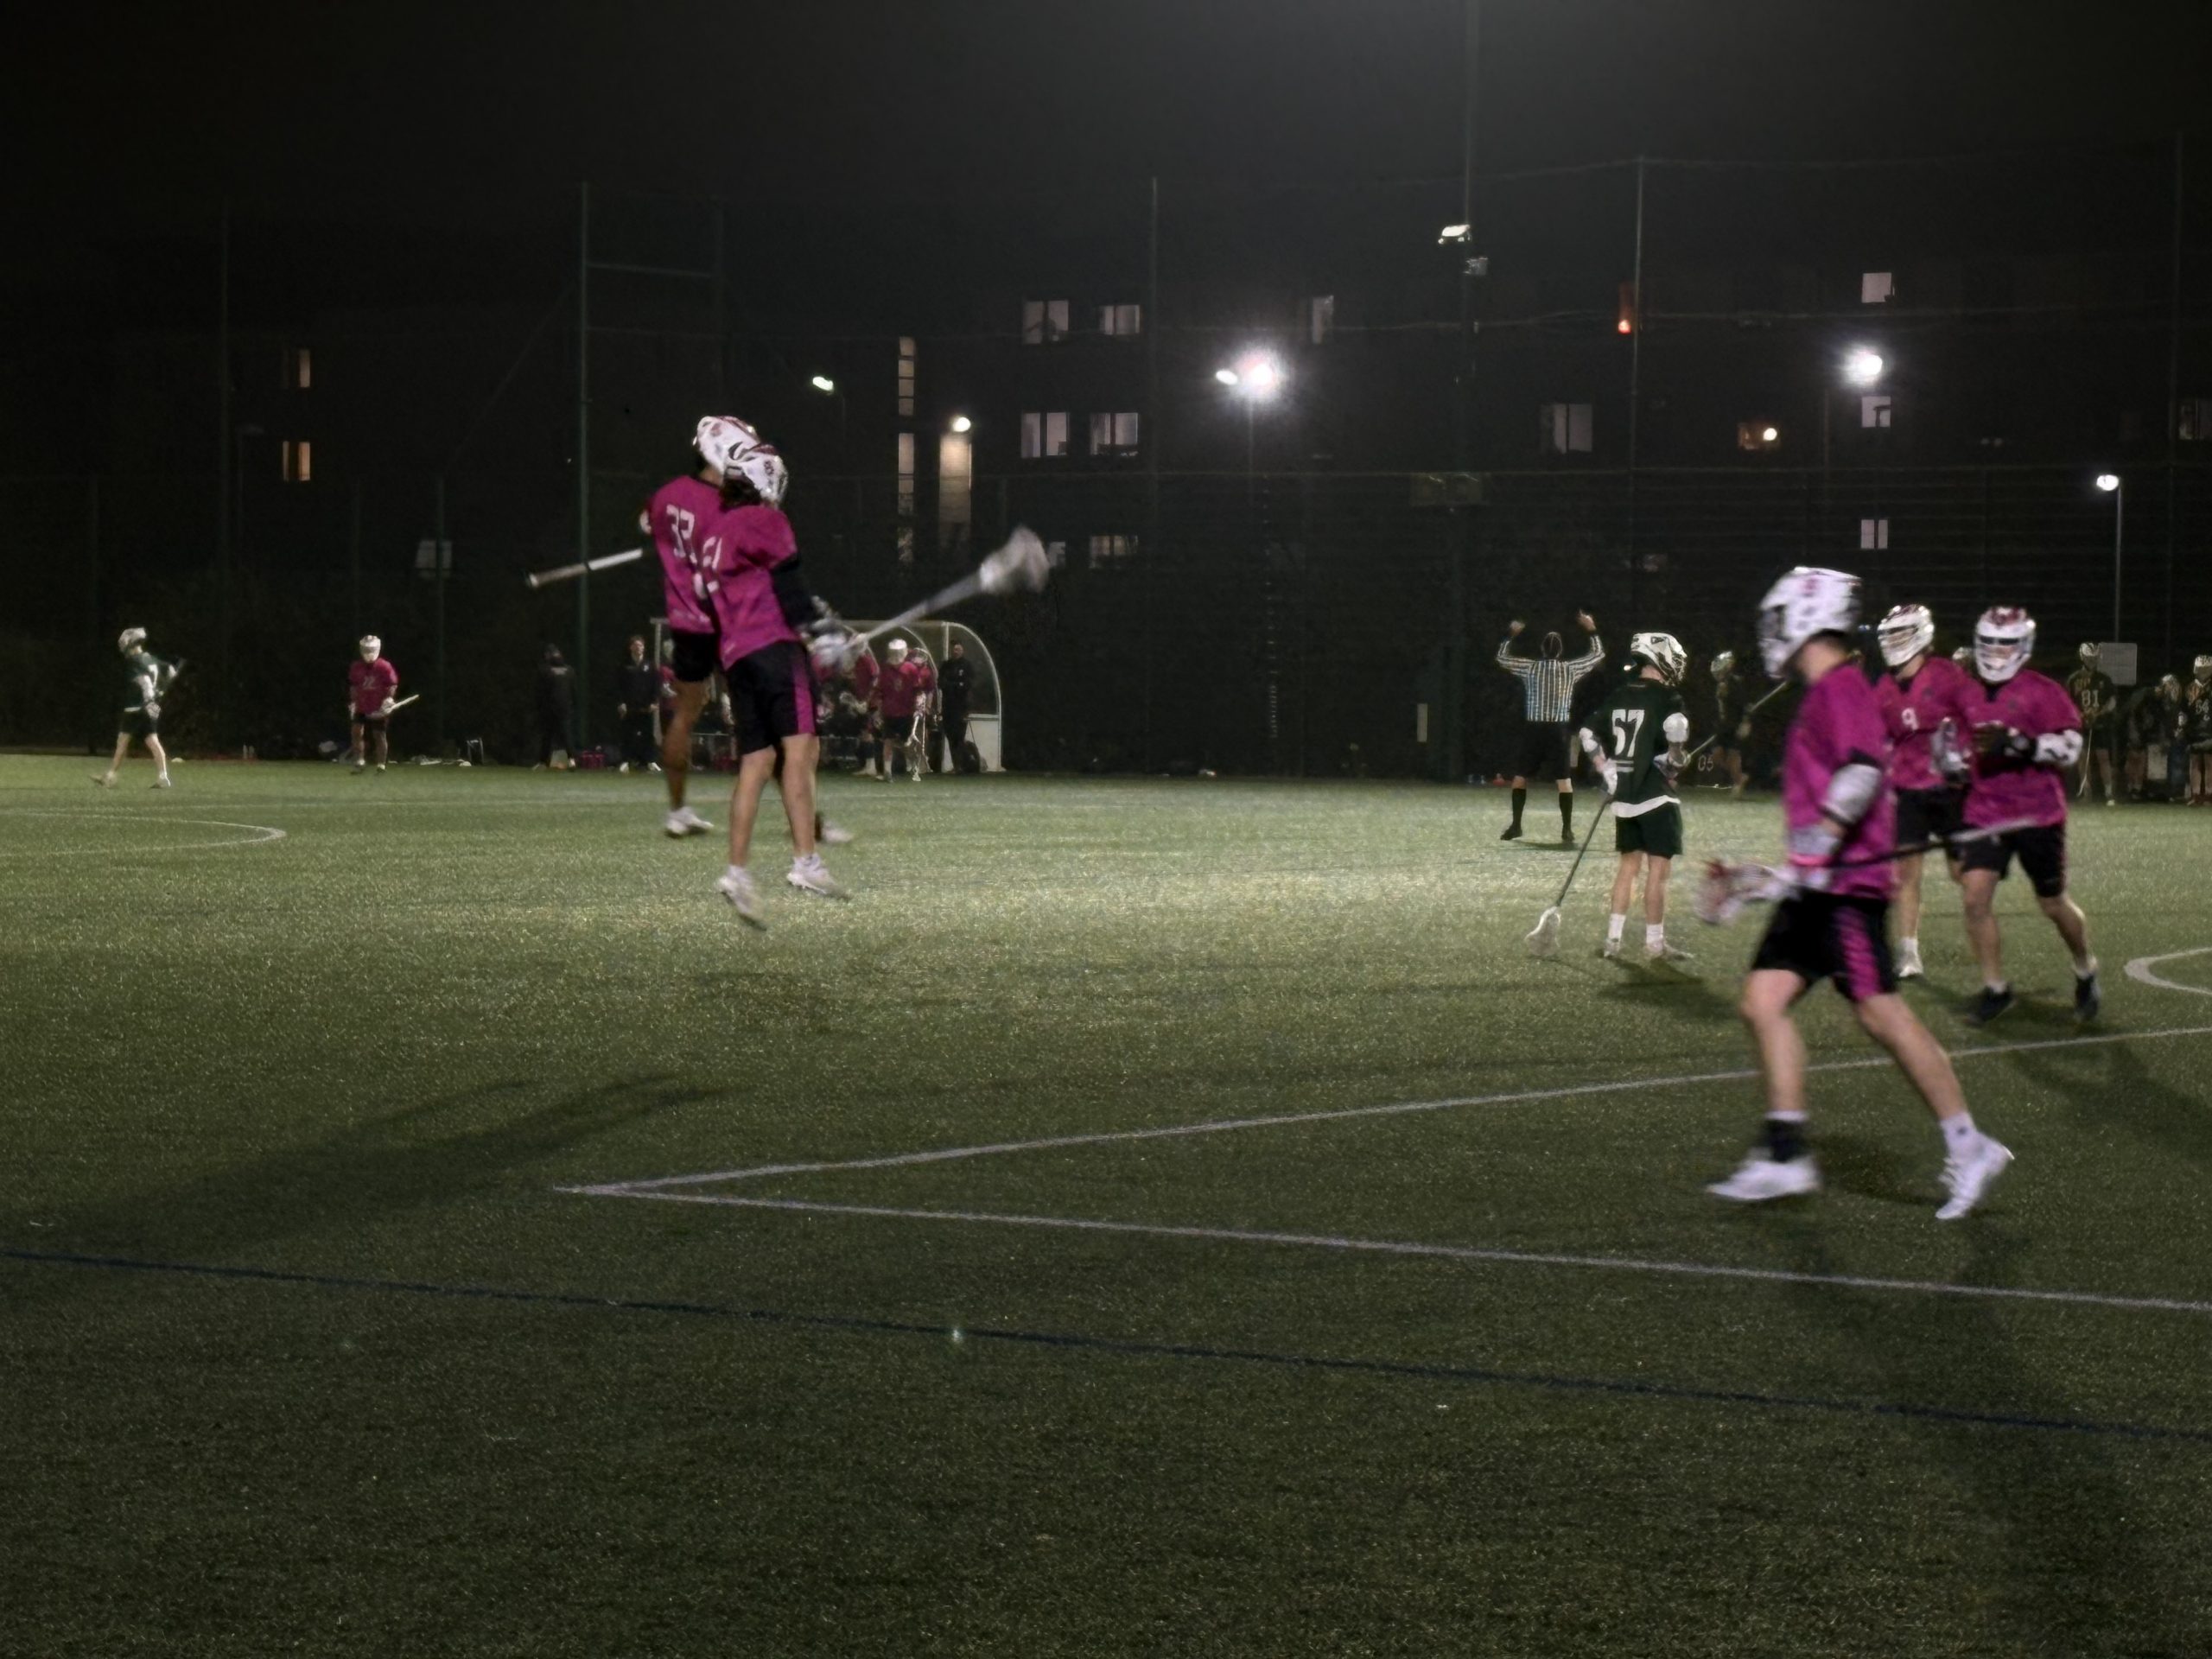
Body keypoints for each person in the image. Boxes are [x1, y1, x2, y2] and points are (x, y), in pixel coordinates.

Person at [1707, 567, 2012, 1221]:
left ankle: (1970, 1144)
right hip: (1819, 884)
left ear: (1803, 619)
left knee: (1880, 1014)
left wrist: (1823, 844)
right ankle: (1786, 1154)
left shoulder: (1839, 686)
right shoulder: (1824, 691)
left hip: (1847, 888)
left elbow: (1862, 772)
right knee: (1762, 1002)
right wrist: (1760, 877)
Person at [693, 417, 846, 924]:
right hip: (776, 649)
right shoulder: (768, 521)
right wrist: (821, 632)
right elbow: (789, 587)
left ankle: (736, 871)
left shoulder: (718, 532)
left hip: (735, 659)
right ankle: (806, 862)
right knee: (801, 752)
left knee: (756, 765)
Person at [1955, 606, 2099, 1026]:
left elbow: (2071, 748)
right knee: (1974, 898)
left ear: (2023, 647)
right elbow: (1959, 747)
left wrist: (2023, 745)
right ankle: (1996, 988)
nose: (1997, 653)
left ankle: (2085, 968)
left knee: (2053, 902)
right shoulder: (1967, 693)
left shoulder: (2043, 691)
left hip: (2037, 814)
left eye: (2007, 644)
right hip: (1986, 811)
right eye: (1990, 644)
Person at [1871, 604, 1977, 982]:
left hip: (1949, 789)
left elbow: (1975, 718)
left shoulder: (1947, 675)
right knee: (1906, 874)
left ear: (1921, 635)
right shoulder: (1884, 687)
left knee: (1962, 873)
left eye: (1901, 635)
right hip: (1907, 791)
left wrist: (1963, 753)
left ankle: (1983, 937)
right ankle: (1909, 952)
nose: (1895, 643)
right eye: (1891, 636)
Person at [645, 424, 736, 835]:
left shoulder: (666, 494)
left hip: (684, 621)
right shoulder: (725, 503)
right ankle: (804, 818)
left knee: (685, 713)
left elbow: (646, 522)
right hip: (725, 619)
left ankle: (677, 812)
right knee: (767, 711)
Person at [1580, 632, 1692, 963]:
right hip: (1657, 797)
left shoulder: (1618, 694)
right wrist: (1676, 758)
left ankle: (1613, 941)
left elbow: (1587, 734)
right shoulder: (1668, 698)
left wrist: (1607, 770)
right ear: (1661, 658)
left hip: (1624, 797)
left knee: (1627, 869)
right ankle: (1654, 945)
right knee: (1658, 873)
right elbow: (1674, 741)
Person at [1495, 610, 1605, 843]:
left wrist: (1509, 636)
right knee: (1563, 782)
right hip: (1558, 730)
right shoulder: (1569, 669)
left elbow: (1502, 659)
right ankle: (1566, 829)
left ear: (1543, 650)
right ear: (1560, 651)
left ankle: (1516, 825)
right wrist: (1591, 628)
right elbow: (1597, 655)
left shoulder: (1531, 668)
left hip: (1534, 729)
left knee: (1520, 777)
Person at [94, 626, 177, 789]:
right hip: (153, 705)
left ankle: (111, 776)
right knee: (153, 741)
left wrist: (147, 694)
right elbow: (172, 671)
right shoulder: (151, 659)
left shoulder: (134, 661)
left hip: (136, 706)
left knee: (123, 741)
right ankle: (163, 777)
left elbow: (143, 681)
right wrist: (159, 689)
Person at [2063, 642, 2119, 807]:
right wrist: (2079, 715)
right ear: (2083, 657)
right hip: (2081, 725)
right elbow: (2068, 703)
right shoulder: (2074, 679)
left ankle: (2109, 792)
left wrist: (2101, 712)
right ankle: (2086, 791)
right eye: (2089, 657)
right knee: (2083, 759)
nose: (2092, 661)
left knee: (2103, 757)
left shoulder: (2104, 679)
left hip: (2100, 724)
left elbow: (2112, 700)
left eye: (2094, 658)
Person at [874, 637, 931, 783]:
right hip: (890, 712)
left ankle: (915, 765)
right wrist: (878, 711)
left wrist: (920, 705)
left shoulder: (910, 669)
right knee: (888, 741)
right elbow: (880, 692)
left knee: (907, 743)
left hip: (906, 712)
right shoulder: (886, 669)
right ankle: (887, 772)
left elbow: (917, 690)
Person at [346, 633, 399, 773]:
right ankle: (359, 761)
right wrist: (353, 702)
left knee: (379, 734)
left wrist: (388, 699)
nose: (369, 653)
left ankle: (381, 764)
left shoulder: (384, 666)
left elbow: (392, 685)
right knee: (357, 731)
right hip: (362, 704)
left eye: (371, 649)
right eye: (366, 649)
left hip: (378, 705)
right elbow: (353, 685)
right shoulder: (356, 667)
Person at [614, 634, 663, 774]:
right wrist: (621, 703)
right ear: (631, 648)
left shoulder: (650, 665)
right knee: (627, 734)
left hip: (646, 707)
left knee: (647, 735)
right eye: (636, 645)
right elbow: (618, 686)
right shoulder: (624, 665)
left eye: (641, 645)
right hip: (629, 707)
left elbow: (656, 685)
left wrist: (654, 702)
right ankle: (625, 761)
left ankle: (650, 761)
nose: (638, 648)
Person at [1707, 650, 1747, 793]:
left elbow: (1743, 705)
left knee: (1733, 755)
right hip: (1722, 725)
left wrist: (1745, 723)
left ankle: (1738, 782)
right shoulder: (1719, 684)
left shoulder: (1735, 682)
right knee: (1716, 756)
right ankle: (1739, 777)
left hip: (1733, 724)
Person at [535, 645, 577, 768]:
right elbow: (574, 690)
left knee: (547, 736)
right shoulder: (569, 670)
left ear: (548, 656)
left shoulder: (544, 670)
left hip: (549, 708)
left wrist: (540, 707)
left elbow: (540, 691)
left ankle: (543, 762)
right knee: (567, 735)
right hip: (565, 708)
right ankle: (572, 760)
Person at [937, 639, 975, 772]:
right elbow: (941, 683)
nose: (955, 651)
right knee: (950, 735)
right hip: (948, 706)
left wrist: (954, 685)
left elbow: (968, 684)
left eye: (958, 649)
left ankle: (963, 764)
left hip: (962, 707)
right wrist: (956, 685)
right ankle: (956, 765)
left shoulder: (967, 665)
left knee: (959, 735)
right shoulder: (946, 665)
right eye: (954, 649)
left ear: (962, 651)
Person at [2187, 656, 2212, 805]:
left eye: (2206, 669)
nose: (2203, 672)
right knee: (2195, 762)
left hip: (2210, 729)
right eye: (2201, 669)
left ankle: (2209, 794)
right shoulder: (2191, 687)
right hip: (2195, 729)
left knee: (2210, 762)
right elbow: (2186, 709)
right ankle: (2195, 794)